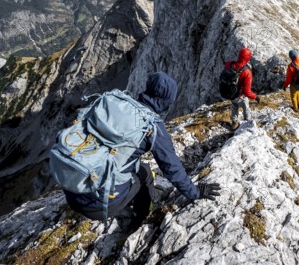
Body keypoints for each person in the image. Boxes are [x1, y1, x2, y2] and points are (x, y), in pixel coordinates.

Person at [63, 72, 221, 221]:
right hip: (96, 205)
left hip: (72, 187)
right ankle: (137, 220)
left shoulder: (117, 104)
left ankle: (120, 197)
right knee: (144, 176)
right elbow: (172, 168)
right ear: (167, 101)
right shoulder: (152, 126)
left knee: (141, 167)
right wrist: (195, 192)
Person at [224, 48, 260, 130]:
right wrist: (255, 97)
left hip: (230, 93)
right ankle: (247, 124)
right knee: (246, 108)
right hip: (240, 95)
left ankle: (234, 124)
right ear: (248, 58)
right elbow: (247, 91)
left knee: (234, 106)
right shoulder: (247, 72)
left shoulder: (229, 64)